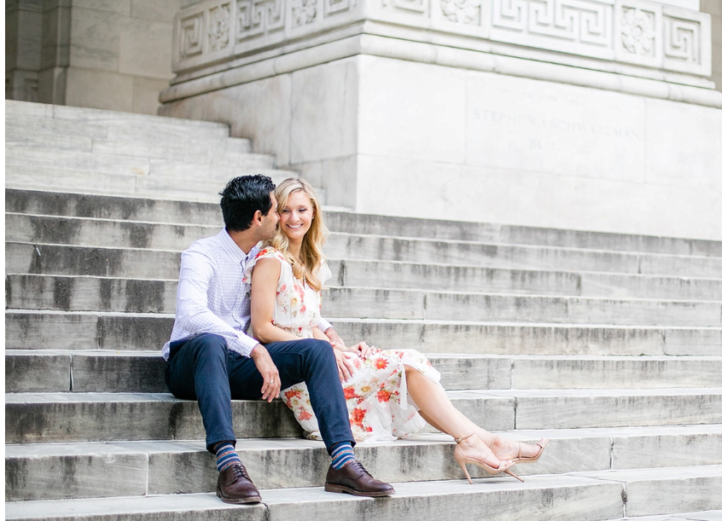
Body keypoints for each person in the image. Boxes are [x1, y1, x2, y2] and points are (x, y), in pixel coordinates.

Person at [247, 178, 548, 483]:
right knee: (408, 362)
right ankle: (480, 441)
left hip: (322, 360)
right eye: (285, 210)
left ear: (314, 214)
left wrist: (342, 347)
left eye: (301, 210)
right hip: (301, 376)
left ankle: (480, 440)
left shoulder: (308, 262)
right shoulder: (270, 260)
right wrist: (326, 350)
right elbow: (261, 328)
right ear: (275, 215)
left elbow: (309, 321)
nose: (294, 218)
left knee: (410, 370)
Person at [163, 175, 395, 505]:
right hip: (191, 363)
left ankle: (343, 463)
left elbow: (297, 299)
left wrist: (329, 335)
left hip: (239, 367)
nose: (283, 219)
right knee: (211, 340)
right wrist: (254, 348)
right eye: (277, 211)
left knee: (316, 351)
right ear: (259, 218)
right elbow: (192, 315)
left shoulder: (264, 256)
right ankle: (229, 465)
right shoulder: (201, 254)